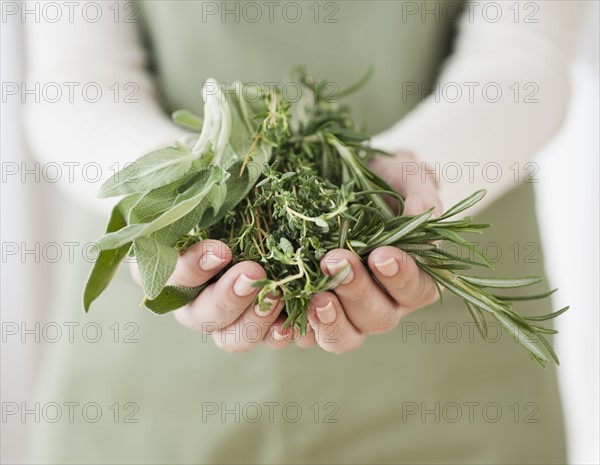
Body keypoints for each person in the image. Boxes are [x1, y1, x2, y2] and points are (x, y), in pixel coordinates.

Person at [22, 1, 580, 463]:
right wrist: (178, 196)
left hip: (445, 369)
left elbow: (523, 52)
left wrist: (418, 180)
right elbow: (75, 80)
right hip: (156, 379)